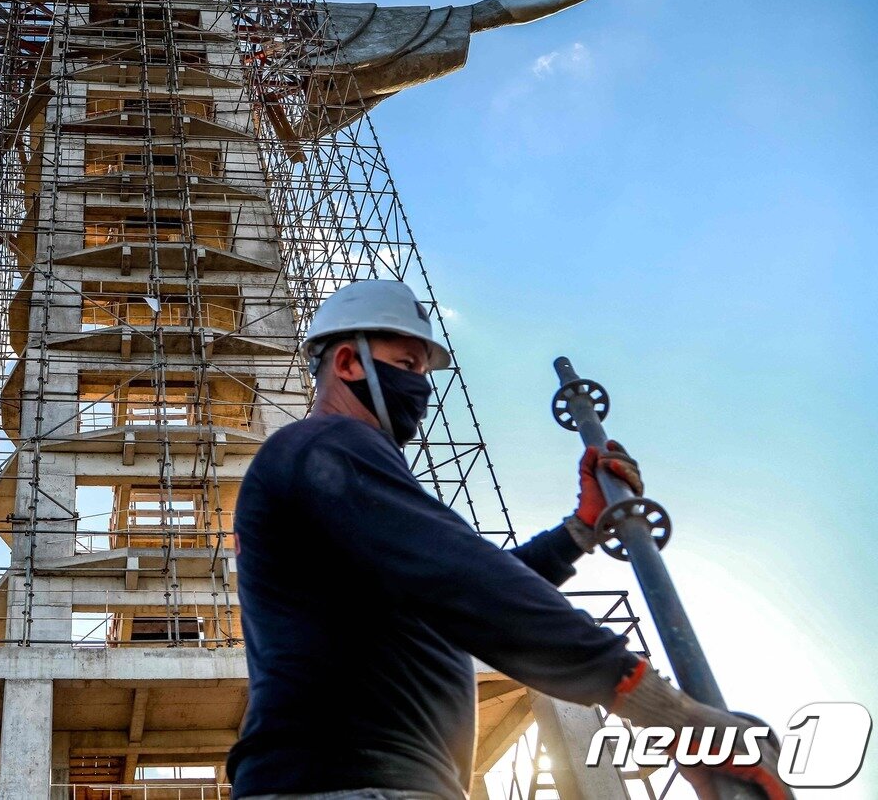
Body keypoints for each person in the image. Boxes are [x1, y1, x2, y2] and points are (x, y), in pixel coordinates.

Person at [229, 279, 791, 800]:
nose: (419, 387)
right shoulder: (325, 444)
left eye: (423, 371)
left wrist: (577, 531)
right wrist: (670, 713)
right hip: (342, 784)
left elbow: (457, 591)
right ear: (348, 362)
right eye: (405, 364)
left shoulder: (346, 486)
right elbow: (466, 581)